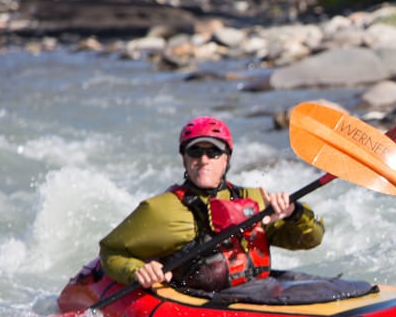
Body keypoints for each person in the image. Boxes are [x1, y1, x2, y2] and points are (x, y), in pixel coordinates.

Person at [99, 116, 324, 291]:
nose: (203, 160)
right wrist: (138, 270)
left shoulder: (256, 199)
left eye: (213, 152)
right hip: (202, 304)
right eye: (195, 151)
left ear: (226, 159)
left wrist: (295, 213)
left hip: (256, 294)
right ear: (184, 158)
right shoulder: (160, 210)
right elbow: (111, 250)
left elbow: (311, 239)